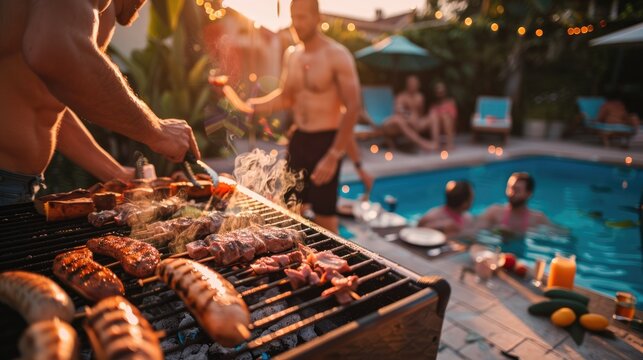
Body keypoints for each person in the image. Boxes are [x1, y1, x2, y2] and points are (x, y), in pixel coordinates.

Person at [0, 0, 201, 205]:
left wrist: (115, 172)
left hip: (16, 185)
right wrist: (157, 131)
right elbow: (55, 50)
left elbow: (45, 100)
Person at [220, 0, 361, 233]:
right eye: (294, 16)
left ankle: (334, 265)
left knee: (326, 219)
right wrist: (252, 105)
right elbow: (286, 97)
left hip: (325, 142)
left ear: (317, 18)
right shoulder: (292, 55)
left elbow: (353, 107)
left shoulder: (337, 55)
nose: (297, 23)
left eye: (303, 17)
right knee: (292, 212)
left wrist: (334, 154)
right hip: (299, 141)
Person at [476, 172, 551, 235]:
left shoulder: (537, 219)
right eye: (510, 188)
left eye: (517, 190)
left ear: (528, 194)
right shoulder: (494, 212)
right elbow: (476, 230)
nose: (511, 193)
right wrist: (494, 230)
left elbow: (556, 234)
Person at [378, 75, 434, 151]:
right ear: (407, 84)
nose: (413, 85)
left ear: (418, 85)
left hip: (412, 123)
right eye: (411, 83)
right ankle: (422, 143)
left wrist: (415, 120)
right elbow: (399, 111)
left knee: (433, 116)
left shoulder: (420, 97)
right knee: (398, 120)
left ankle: (436, 143)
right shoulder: (401, 96)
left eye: (415, 83)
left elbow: (420, 114)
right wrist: (409, 116)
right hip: (392, 123)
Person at [425, 81, 458, 150]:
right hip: (437, 127)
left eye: (441, 91)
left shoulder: (450, 103)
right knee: (433, 116)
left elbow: (454, 118)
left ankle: (449, 144)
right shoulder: (433, 106)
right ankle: (435, 143)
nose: (440, 93)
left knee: (445, 117)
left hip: (448, 126)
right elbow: (430, 119)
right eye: (438, 92)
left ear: (445, 92)